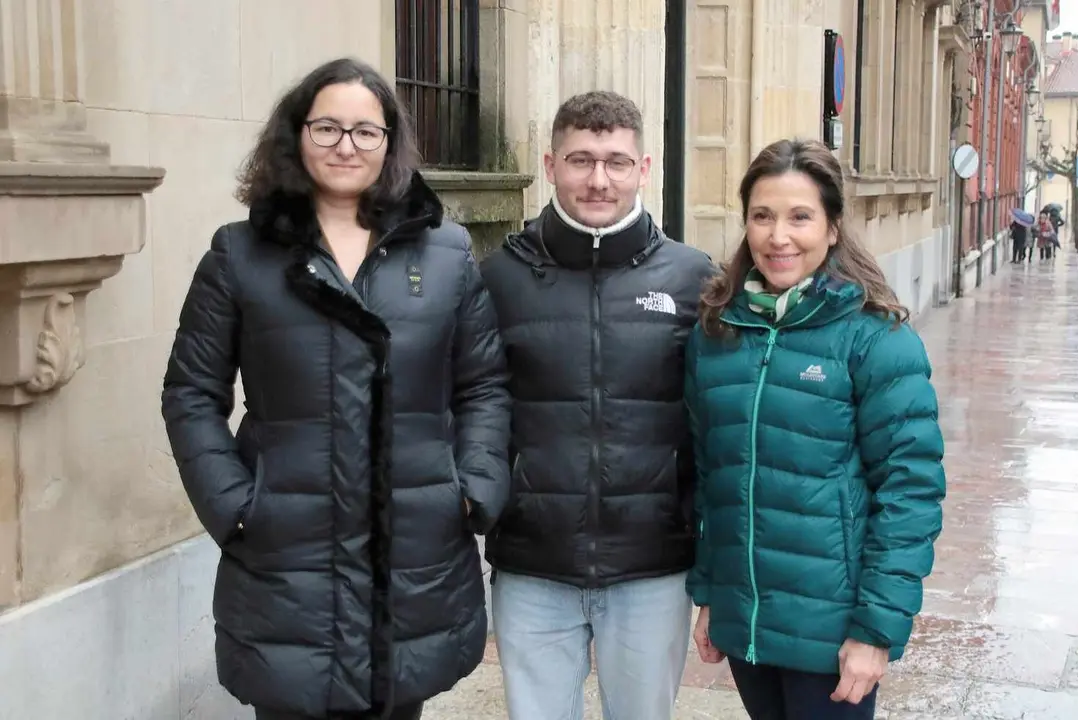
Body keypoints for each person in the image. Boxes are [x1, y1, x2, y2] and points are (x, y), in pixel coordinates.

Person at [161, 57, 511, 720]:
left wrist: (472, 487)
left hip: (413, 553)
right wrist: (236, 504)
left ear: (390, 143)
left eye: (365, 131)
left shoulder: (444, 253)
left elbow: (484, 385)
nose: (346, 146)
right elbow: (190, 392)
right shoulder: (239, 255)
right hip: (287, 559)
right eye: (327, 128)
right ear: (296, 135)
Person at [685, 138, 946, 720]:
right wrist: (712, 598)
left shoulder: (875, 339)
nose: (779, 236)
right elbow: (711, 479)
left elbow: (910, 493)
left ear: (832, 228)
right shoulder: (717, 334)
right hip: (749, 622)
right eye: (762, 216)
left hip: (832, 634)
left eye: (800, 216)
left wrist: (876, 631)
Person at [479, 91, 715, 720]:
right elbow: (474, 408)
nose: (598, 179)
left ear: (643, 168)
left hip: (652, 566)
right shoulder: (497, 278)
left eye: (615, 161)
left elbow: (712, 426)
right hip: (533, 565)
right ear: (551, 164)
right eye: (581, 160)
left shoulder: (693, 279)